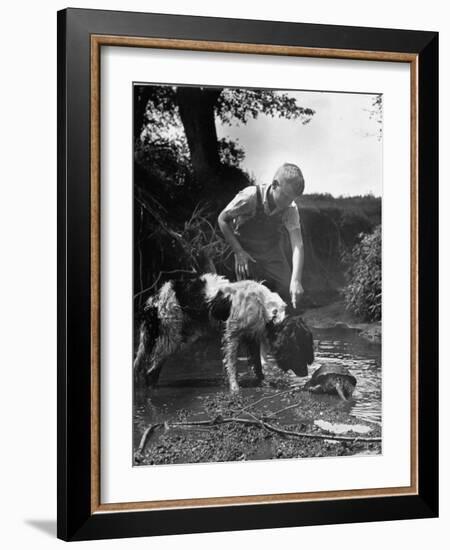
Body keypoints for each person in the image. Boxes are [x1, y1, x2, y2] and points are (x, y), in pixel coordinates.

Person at [218, 162, 305, 310]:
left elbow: (297, 244)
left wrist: (296, 280)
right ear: (274, 184)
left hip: (271, 250)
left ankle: (276, 320)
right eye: (284, 196)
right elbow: (222, 219)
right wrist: (238, 251)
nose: (286, 203)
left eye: (291, 199)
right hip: (246, 249)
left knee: (286, 288)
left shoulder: (290, 208)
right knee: (248, 295)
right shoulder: (250, 196)